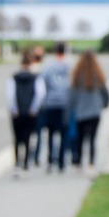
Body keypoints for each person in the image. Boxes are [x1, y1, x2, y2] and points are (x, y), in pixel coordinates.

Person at [68, 51, 109, 178]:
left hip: (81, 112)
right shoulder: (98, 75)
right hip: (95, 112)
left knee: (80, 139)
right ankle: (91, 164)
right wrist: (103, 104)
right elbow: (105, 94)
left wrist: (72, 107)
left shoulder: (77, 75)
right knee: (92, 139)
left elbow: (72, 96)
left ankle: (79, 163)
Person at [6, 50, 46, 178]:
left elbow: (10, 95)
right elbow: (40, 94)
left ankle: (17, 164)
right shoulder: (36, 78)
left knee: (17, 139)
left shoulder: (13, 78)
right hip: (30, 113)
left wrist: (14, 109)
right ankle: (26, 166)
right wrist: (34, 108)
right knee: (28, 139)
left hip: (17, 113)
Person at [41, 42, 71, 172]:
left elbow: (43, 84)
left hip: (51, 103)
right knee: (64, 133)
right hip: (65, 104)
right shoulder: (69, 66)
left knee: (51, 133)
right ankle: (61, 162)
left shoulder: (48, 67)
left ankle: (49, 161)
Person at [29, 45, 46, 166]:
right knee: (36, 133)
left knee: (36, 133)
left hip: (36, 106)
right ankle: (35, 155)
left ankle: (34, 155)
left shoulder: (34, 68)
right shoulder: (38, 69)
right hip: (36, 105)